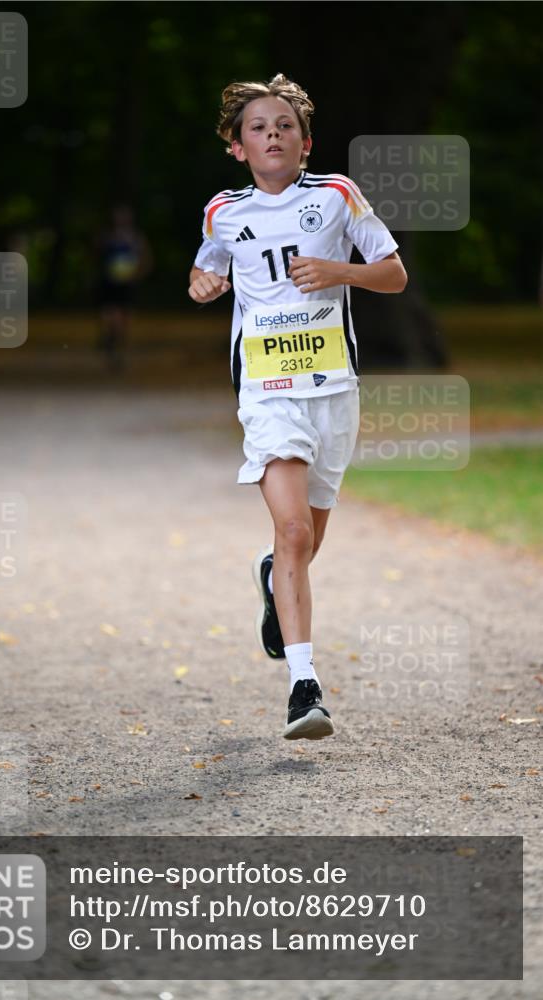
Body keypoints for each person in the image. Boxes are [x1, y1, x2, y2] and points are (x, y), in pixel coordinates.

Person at [188, 74, 407, 741]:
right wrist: (203, 282)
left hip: (333, 390)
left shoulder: (337, 195)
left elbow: (392, 275)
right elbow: (206, 268)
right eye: (256, 126)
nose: (271, 134)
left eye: (283, 124)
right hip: (266, 389)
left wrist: (339, 271)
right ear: (237, 147)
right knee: (291, 534)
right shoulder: (221, 211)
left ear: (304, 141)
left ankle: (270, 580)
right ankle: (303, 688)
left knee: (306, 540)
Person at [93, 204, 151, 370]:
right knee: (110, 314)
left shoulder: (136, 238)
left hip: (127, 283)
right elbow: (96, 256)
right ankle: (110, 340)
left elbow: (145, 258)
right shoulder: (106, 237)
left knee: (124, 318)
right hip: (109, 283)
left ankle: (116, 344)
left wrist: (137, 274)